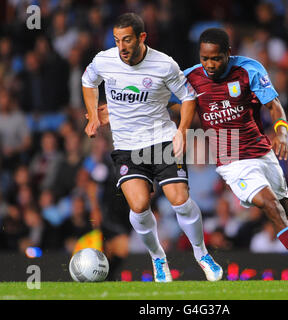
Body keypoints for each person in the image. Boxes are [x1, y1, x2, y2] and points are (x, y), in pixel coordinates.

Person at [97, 28, 288, 280]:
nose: (209, 64)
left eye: (216, 58)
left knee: (284, 209)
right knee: (272, 206)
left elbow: (274, 106)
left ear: (228, 53)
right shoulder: (191, 78)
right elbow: (152, 96)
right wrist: (115, 109)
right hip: (232, 160)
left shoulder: (249, 70)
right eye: (204, 58)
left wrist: (281, 134)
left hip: (261, 152)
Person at [82, 13, 222, 282]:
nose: (121, 47)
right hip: (126, 146)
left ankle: (202, 253)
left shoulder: (164, 64)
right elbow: (88, 81)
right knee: (139, 205)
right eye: (117, 40)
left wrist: (182, 132)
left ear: (141, 37)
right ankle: (158, 258)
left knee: (179, 199)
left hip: (162, 140)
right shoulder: (104, 60)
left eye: (127, 40)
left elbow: (188, 96)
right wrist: (92, 116)